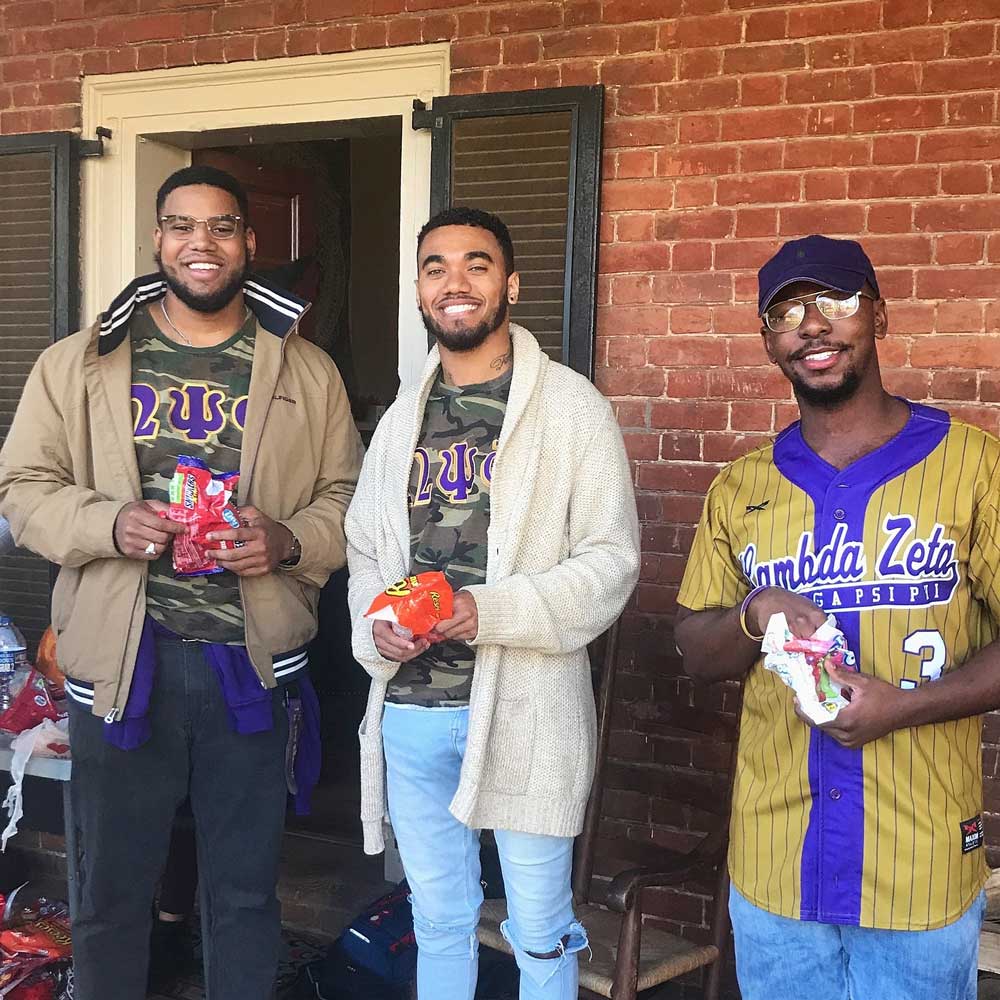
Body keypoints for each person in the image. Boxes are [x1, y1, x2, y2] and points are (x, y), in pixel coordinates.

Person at [0, 164, 361, 1000]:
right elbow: (22, 488)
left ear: (249, 244)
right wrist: (107, 524)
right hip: (124, 667)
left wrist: (285, 539)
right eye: (183, 226)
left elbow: (348, 504)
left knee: (242, 893)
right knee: (110, 895)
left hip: (252, 662)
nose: (203, 243)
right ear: (159, 240)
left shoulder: (307, 372)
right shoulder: (79, 362)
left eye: (223, 226)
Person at [674, 234, 1000, 1000]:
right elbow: (693, 646)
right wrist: (753, 611)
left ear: (878, 315)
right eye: (786, 311)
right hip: (776, 864)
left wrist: (907, 706)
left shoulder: (973, 466)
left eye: (837, 300)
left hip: (918, 862)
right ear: (767, 342)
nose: (812, 324)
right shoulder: (739, 487)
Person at [345, 206, 640, 999]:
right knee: (439, 921)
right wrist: (377, 628)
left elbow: (612, 562)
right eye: (436, 267)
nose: (456, 282)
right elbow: (364, 552)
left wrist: (490, 611)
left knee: (540, 930)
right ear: (419, 291)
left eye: (477, 264)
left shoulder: (572, 409)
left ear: (511, 284)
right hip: (411, 708)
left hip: (526, 708)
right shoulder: (400, 420)